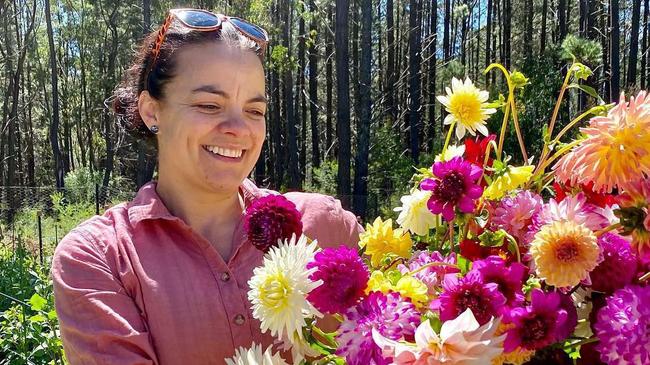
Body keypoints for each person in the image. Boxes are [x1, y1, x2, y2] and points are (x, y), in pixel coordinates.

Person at [50, 9, 362, 365]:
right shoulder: (101, 258)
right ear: (152, 112)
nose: (238, 128)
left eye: (254, 110)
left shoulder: (325, 226)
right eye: (209, 105)